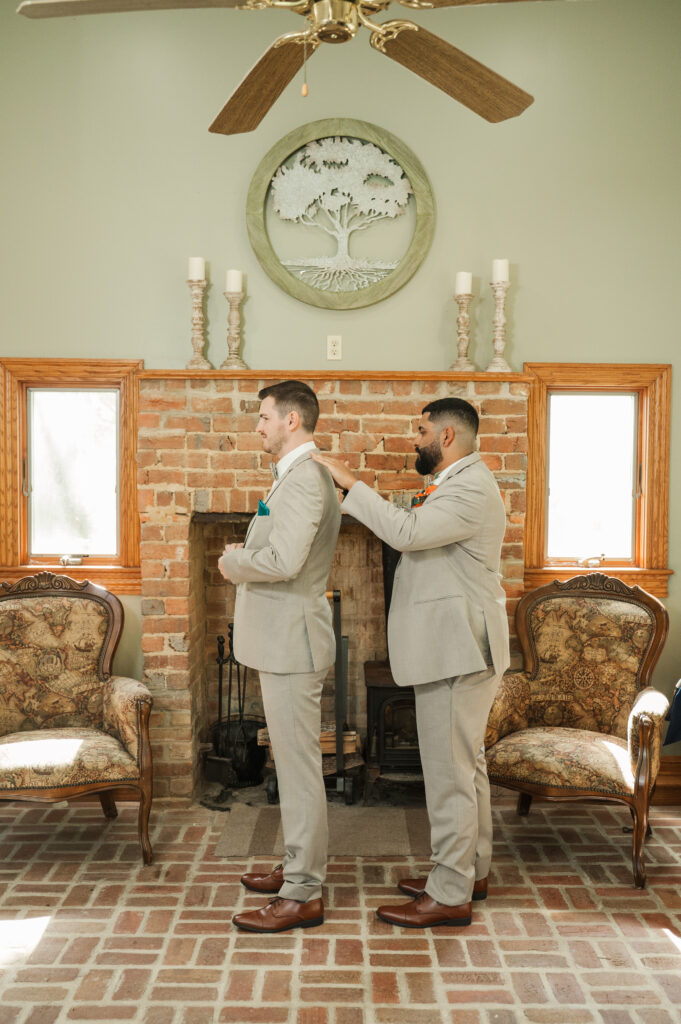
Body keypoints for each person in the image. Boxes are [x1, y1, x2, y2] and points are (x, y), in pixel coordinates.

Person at [312, 396, 509, 929]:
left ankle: (448, 894)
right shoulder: (457, 483)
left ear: (446, 437)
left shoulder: (469, 485)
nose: (413, 439)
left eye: (420, 430)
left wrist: (353, 485)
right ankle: (471, 872)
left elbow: (408, 534)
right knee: (468, 768)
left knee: (448, 775)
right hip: (458, 645)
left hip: (458, 649)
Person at [218, 380, 341, 933]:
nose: (258, 425)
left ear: (292, 421)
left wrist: (235, 562)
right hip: (284, 639)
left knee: (298, 770)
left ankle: (303, 893)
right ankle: (296, 867)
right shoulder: (294, 476)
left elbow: (286, 560)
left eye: (265, 417)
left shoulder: (304, 480)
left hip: (294, 642)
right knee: (290, 767)